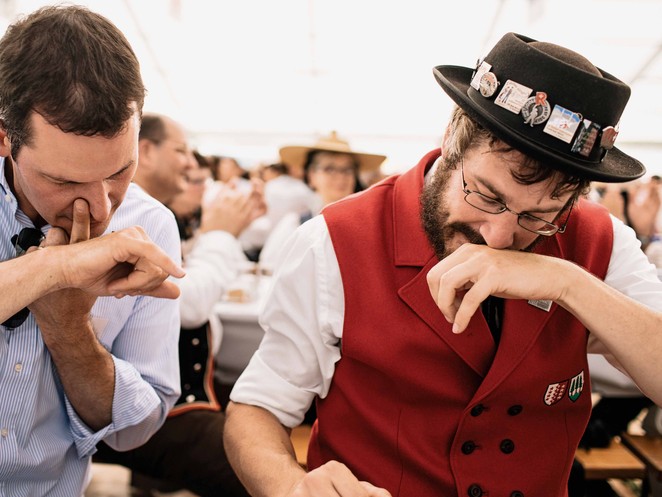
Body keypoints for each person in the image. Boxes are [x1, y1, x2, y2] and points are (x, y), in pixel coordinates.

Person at [223, 32, 662, 497]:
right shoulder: (333, 239)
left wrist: (568, 282)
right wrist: (291, 487)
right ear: (452, 138)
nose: (499, 238)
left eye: (538, 217)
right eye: (486, 195)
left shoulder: (602, 241)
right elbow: (256, 410)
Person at [0, 6, 185, 496]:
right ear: (4, 139)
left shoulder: (151, 226)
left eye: (121, 171)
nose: (102, 208)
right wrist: (54, 269)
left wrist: (69, 330)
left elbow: (135, 431)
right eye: (64, 181)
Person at [95, 112, 262, 497]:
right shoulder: (124, 213)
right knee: (255, 468)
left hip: (169, 396)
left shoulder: (158, 214)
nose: (191, 163)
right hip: (134, 410)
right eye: (182, 151)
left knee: (268, 406)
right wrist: (220, 236)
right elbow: (185, 301)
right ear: (147, 150)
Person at [259, 132, 386, 272]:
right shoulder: (295, 224)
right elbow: (269, 269)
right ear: (311, 176)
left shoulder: (369, 226)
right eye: (329, 169)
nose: (340, 176)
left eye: (347, 169)